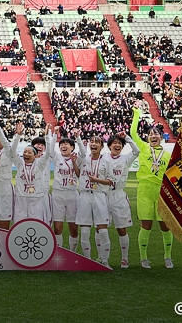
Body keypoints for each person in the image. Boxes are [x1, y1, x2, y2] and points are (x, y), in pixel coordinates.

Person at [131, 103, 174, 269]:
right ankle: (143, 258)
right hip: (144, 191)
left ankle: (168, 257)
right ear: (147, 138)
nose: (153, 135)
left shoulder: (168, 155)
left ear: (161, 137)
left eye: (156, 133)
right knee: (146, 225)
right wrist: (137, 113)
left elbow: (173, 176)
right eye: (150, 134)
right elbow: (133, 133)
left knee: (165, 226)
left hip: (162, 192)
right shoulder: (143, 148)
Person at [74, 132, 113, 267]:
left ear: (102, 146)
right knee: (85, 230)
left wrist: (97, 180)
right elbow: (79, 174)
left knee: (102, 229)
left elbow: (111, 181)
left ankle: (105, 261)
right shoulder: (84, 158)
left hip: (99, 195)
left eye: (97, 142)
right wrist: (74, 162)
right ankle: (88, 261)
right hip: (84, 195)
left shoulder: (106, 161)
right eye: (92, 141)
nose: (93, 144)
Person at [105, 132, 140, 268]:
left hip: (119, 196)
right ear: (109, 146)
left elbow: (136, 151)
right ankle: (103, 258)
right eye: (115, 143)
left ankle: (125, 258)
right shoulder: (103, 158)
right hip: (104, 195)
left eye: (120, 143)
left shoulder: (126, 159)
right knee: (101, 228)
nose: (117, 145)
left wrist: (127, 138)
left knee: (121, 229)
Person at [11, 122, 53, 223]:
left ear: (35, 155)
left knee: (36, 224)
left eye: (29, 152)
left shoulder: (39, 165)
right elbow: (12, 151)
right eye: (25, 152)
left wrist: (47, 136)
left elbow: (48, 153)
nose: (26, 154)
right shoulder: (20, 164)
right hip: (21, 198)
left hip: (36, 198)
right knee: (19, 224)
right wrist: (18, 136)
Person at [51, 129, 80, 251]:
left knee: (73, 227)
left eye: (66, 144)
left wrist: (78, 137)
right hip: (58, 194)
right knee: (57, 227)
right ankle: (59, 252)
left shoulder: (77, 158)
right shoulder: (56, 157)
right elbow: (50, 149)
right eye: (61, 144)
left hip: (72, 194)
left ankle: (72, 252)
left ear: (72, 147)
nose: (63, 146)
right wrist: (54, 134)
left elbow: (79, 174)